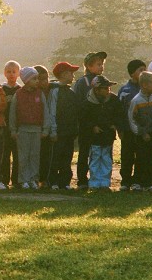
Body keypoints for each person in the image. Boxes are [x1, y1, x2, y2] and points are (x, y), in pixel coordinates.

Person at [9, 67, 51, 190]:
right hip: (23, 130)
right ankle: (23, 179)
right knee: (23, 156)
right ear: (26, 80)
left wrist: (45, 129)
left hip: (37, 130)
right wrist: (13, 129)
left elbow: (45, 112)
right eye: (34, 79)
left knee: (34, 156)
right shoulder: (18, 94)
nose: (37, 81)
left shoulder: (39, 94)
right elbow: (13, 113)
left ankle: (34, 179)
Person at [72, 51, 107, 190]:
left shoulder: (102, 80)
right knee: (84, 151)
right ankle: (82, 179)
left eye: (102, 64)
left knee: (98, 151)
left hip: (100, 122)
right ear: (89, 66)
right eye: (98, 64)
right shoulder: (82, 82)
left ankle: (97, 177)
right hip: (85, 123)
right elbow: (79, 104)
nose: (101, 67)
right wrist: (87, 122)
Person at [81, 75, 122, 191]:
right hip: (94, 137)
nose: (108, 89)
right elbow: (84, 118)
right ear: (96, 90)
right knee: (95, 159)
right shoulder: (88, 102)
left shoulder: (113, 100)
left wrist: (115, 124)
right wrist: (92, 126)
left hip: (108, 136)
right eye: (104, 88)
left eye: (108, 87)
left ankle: (105, 182)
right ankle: (94, 182)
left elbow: (119, 114)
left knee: (106, 160)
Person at [46, 62, 80, 190]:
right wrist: (53, 131)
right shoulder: (55, 91)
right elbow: (52, 111)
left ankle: (65, 182)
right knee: (56, 157)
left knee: (67, 158)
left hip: (69, 132)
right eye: (70, 72)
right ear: (63, 74)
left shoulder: (70, 92)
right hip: (58, 131)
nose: (72, 75)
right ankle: (53, 181)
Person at [128, 71, 152, 192]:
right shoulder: (136, 101)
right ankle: (138, 182)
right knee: (141, 159)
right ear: (144, 85)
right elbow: (132, 119)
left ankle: (151, 183)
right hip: (141, 136)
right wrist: (142, 133)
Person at [117, 60, 147, 191]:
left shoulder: (146, 89)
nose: (143, 73)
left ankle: (138, 181)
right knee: (127, 155)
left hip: (141, 130)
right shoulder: (125, 90)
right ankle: (125, 180)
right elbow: (119, 111)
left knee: (141, 155)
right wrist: (120, 128)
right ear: (132, 73)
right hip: (128, 129)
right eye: (141, 70)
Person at [1, 60, 22, 188]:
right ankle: (4, 179)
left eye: (14, 72)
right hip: (4, 125)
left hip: (17, 126)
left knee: (17, 154)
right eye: (9, 72)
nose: (11, 74)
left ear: (18, 74)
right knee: (4, 153)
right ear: (4, 73)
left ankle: (16, 180)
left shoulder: (20, 90)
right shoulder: (1, 89)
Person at [34, 65, 54, 187]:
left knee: (47, 155)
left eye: (46, 78)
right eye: (40, 79)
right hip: (35, 127)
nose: (44, 82)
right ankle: (35, 178)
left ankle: (45, 178)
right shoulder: (32, 92)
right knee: (35, 154)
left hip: (49, 127)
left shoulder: (53, 89)